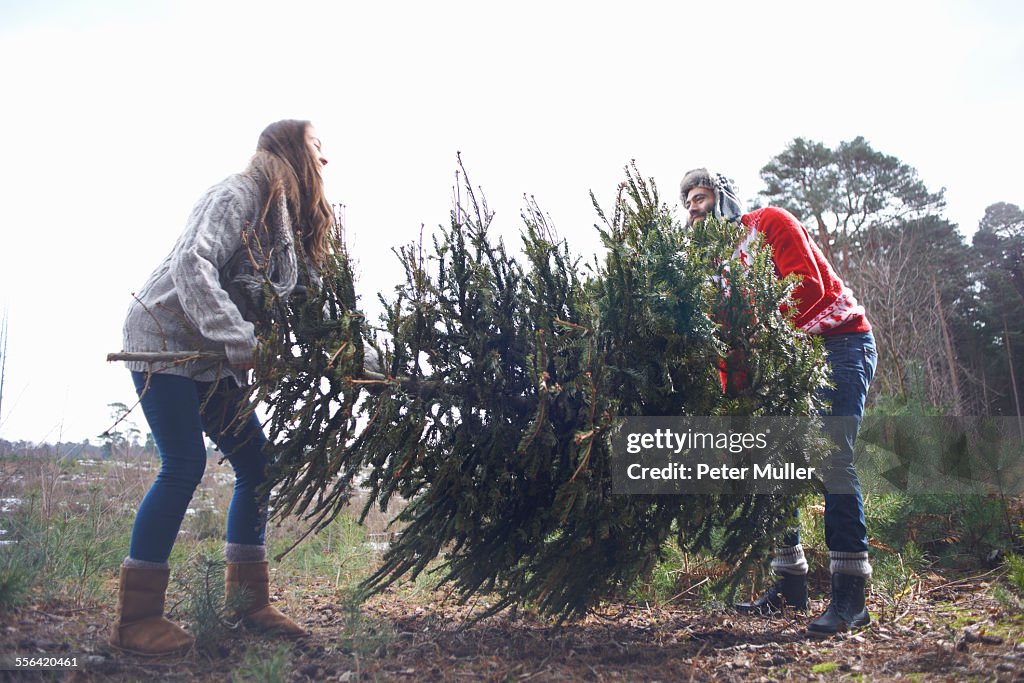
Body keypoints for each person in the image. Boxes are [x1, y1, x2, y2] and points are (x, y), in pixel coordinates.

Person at [111, 120, 333, 655]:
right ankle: (136, 618)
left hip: (213, 358)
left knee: (257, 462)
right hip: (163, 342)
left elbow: (315, 310)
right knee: (183, 463)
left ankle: (248, 603)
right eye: (317, 147)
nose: (326, 161)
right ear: (289, 150)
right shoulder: (236, 194)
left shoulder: (284, 229)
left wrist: (366, 358)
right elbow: (193, 262)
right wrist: (239, 337)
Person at [680, 168, 878, 635]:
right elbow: (727, 342)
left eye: (701, 197)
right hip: (778, 361)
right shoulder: (713, 270)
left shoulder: (770, 223)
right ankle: (790, 585)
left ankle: (851, 596)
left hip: (838, 342)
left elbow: (803, 287)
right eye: (687, 201)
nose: (693, 207)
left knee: (833, 458)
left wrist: (757, 338)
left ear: (723, 199)